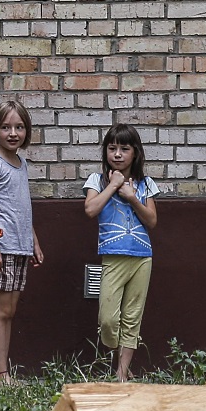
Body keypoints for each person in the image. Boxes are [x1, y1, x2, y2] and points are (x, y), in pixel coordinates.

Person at [82, 123, 159, 382]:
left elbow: (152, 221)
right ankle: (114, 352)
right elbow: (90, 210)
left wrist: (132, 196)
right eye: (112, 148)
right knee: (107, 319)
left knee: (132, 316)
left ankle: (122, 373)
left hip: (141, 257)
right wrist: (114, 186)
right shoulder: (97, 180)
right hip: (113, 256)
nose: (117, 154)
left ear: (134, 153)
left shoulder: (146, 184)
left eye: (124, 149)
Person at [0, 100, 44, 385]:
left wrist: (34, 243)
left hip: (19, 246)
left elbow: (22, 207)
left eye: (19, 127)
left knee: (10, 311)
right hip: (1, 248)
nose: (13, 133)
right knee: (1, 310)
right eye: (5, 127)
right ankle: (0, 374)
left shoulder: (21, 162)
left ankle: (3, 373)